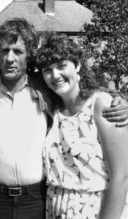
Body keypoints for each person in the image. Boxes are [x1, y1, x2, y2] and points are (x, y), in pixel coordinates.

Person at [0, 18, 128, 219]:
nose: (10, 58)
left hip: (36, 200)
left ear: (28, 55)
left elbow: (80, 90)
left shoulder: (43, 89)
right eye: (4, 51)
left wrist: (119, 98)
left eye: (18, 51)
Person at [37, 33, 128, 219]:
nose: (55, 75)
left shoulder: (101, 104)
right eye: (47, 70)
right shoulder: (52, 111)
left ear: (77, 66)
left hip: (96, 210)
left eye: (62, 66)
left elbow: (122, 176)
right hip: (56, 209)